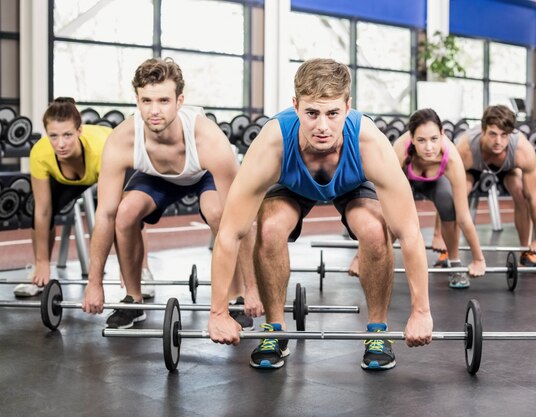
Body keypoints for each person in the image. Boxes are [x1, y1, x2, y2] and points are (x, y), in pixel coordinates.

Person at [207, 58, 433, 370]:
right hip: (292, 184)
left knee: (375, 230)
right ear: (295, 105)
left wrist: (421, 311)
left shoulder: (369, 143)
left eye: (332, 113)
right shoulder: (272, 143)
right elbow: (231, 232)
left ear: (348, 106)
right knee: (269, 228)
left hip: (350, 184)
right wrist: (218, 312)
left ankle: (378, 331)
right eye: (311, 113)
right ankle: (274, 330)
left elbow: (409, 234)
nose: (322, 126)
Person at [81, 57, 262, 329]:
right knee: (124, 212)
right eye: (147, 101)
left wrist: (252, 288)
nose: (154, 110)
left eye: (164, 101)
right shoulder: (122, 140)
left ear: (179, 101)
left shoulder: (208, 138)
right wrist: (94, 283)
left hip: (203, 174)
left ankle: (235, 297)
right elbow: (104, 215)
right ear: (137, 101)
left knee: (220, 214)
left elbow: (242, 219)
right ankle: (133, 299)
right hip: (157, 176)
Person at [14, 98, 155, 298]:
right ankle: (39, 272)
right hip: (70, 177)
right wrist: (42, 262)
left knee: (127, 212)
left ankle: (141, 270)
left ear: (79, 131)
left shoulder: (103, 148)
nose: (60, 144)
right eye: (53, 136)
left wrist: (127, 266)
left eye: (68, 135)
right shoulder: (40, 153)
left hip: (112, 161)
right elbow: (43, 210)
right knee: (40, 209)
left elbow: (107, 213)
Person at [348, 108, 486, 288]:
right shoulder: (399, 149)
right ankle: (373, 258)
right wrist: (361, 255)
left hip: (435, 182)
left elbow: (464, 217)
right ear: (411, 138)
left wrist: (478, 258)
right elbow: (381, 202)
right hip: (404, 179)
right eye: (421, 140)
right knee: (391, 217)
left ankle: (454, 263)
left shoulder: (452, 159)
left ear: (442, 134)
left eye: (434, 139)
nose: (429, 147)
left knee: (448, 203)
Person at [435, 105, 536, 266]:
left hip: (508, 168)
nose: (498, 141)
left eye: (503, 135)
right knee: (455, 197)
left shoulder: (523, 151)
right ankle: (450, 252)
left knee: (521, 192)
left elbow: (534, 198)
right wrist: (437, 235)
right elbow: (445, 194)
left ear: (511, 134)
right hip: (473, 166)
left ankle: (526, 253)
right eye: (493, 134)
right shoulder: (464, 149)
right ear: (483, 130)